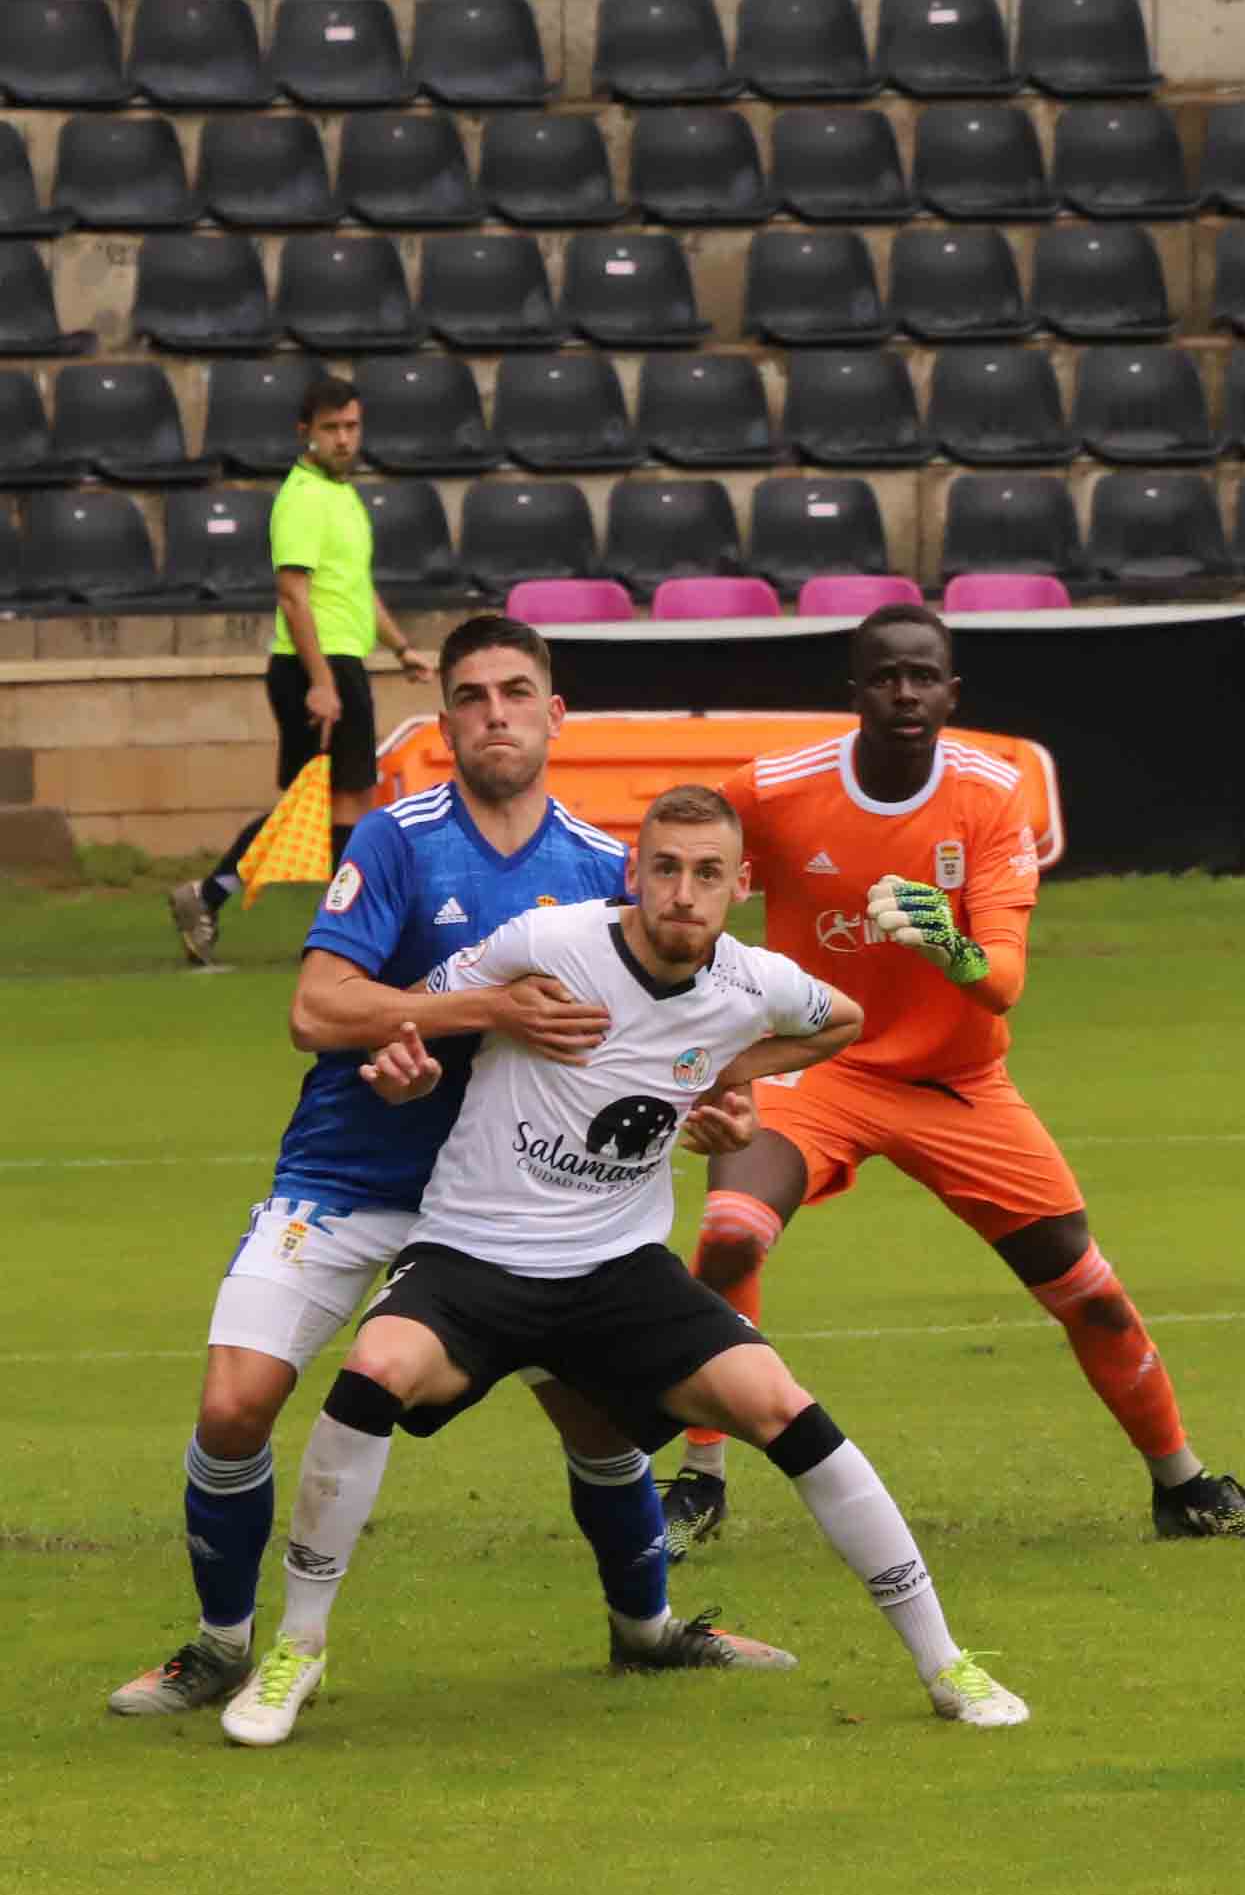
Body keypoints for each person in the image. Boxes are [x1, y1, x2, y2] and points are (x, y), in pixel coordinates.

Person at [224, 786, 1028, 1745]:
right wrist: (418, 1064)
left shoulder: (751, 982)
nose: (682, 893)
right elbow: (425, 1016)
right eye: (664, 869)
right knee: (371, 1375)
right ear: (634, 874)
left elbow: (840, 1019)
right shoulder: (549, 944)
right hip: (474, 1253)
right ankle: (298, 1651)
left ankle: (945, 1663)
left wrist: (731, 1071)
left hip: (617, 1271)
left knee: (784, 1407)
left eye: (706, 875)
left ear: (737, 887)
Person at [109, 615, 783, 1718]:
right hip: (347, 1176)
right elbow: (315, 1007)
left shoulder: (606, 866)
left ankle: (646, 1627)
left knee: (598, 1418)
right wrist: (471, 1009)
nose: (496, 714)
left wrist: (716, 1098)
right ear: (447, 718)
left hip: (512, 1208)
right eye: (471, 695)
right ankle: (223, 1645)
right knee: (234, 1403)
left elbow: (663, 1033)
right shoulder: (395, 838)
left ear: (554, 714)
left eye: (517, 691)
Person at [664, 605, 1245, 1547]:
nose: (906, 693)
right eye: (886, 676)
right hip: (818, 1062)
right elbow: (675, 859)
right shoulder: (776, 789)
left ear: (953, 693)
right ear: (855, 691)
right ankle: (698, 1481)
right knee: (729, 1235)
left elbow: (1000, 984)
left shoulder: (992, 798)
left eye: (925, 676)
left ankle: (1184, 1486)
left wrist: (945, 940)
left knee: (1088, 1291)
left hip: (957, 1082)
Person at [171, 378, 428, 968]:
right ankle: (346, 943)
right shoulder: (302, 497)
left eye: (352, 427)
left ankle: (208, 896)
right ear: (305, 433)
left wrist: (399, 647)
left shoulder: (342, 495)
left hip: (342, 663)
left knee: (324, 809)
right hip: (314, 667)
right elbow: (293, 595)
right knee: (340, 809)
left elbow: (354, 591)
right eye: (332, 428)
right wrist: (321, 681)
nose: (344, 439)